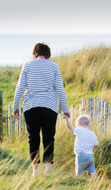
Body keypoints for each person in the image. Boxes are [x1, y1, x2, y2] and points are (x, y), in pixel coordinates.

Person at [13, 42, 70, 176]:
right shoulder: (54, 67)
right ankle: (48, 169)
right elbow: (60, 89)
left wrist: (16, 106)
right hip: (49, 107)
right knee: (49, 137)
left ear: (35, 54)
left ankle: (35, 171)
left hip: (30, 107)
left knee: (33, 138)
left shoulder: (27, 65)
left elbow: (20, 87)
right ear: (47, 55)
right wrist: (65, 109)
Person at [63, 114, 98, 179]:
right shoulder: (93, 134)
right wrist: (93, 147)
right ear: (89, 126)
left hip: (81, 156)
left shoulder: (79, 130)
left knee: (79, 172)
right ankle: (96, 182)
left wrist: (66, 119)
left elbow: (69, 126)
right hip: (90, 156)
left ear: (79, 124)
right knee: (92, 171)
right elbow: (96, 145)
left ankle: (80, 182)